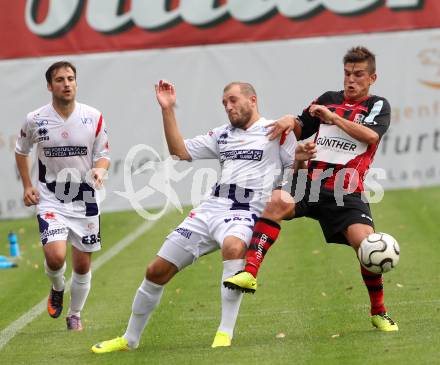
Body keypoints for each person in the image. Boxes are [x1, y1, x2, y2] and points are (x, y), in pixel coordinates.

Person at [91, 80, 316, 353]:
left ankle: (224, 332)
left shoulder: (277, 131)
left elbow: (299, 178)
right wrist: (167, 109)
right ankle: (130, 339)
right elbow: (179, 151)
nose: (228, 107)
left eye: (233, 100)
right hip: (210, 208)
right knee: (155, 271)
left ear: (252, 100)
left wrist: (302, 159)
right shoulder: (222, 134)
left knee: (234, 247)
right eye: (224, 103)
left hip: (245, 211)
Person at [224, 46, 398, 332]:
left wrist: (334, 119)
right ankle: (250, 272)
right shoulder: (328, 99)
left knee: (367, 244)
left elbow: (369, 136)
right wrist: (288, 121)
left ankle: (378, 311)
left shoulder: (377, 106)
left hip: (345, 190)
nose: (350, 80)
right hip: (309, 182)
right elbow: (301, 124)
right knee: (277, 201)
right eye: (347, 73)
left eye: (358, 75)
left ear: (372, 78)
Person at [15, 61, 110, 331]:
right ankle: (57, 287)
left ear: (76, 83)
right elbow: (21, 151)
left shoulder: (93, 116)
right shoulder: (35, 119)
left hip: (85, 199)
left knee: (82, 265)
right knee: (56, 257)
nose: (66, 83)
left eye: (70, 78)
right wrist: (27, 185)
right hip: (51, 197)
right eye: (60, 79)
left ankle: (75, 314)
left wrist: (100, 172)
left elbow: (103, 156)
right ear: (49, 86)